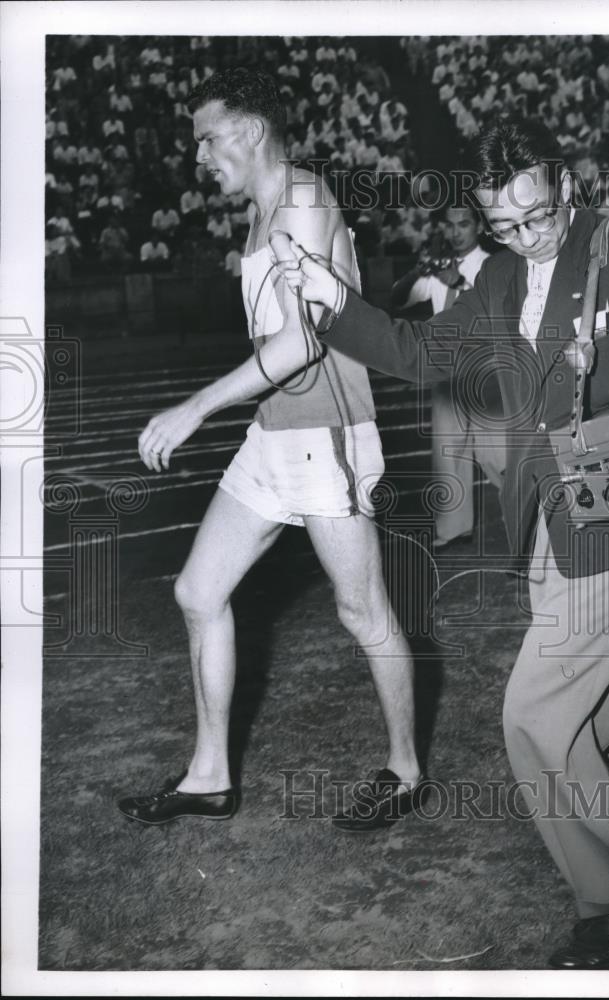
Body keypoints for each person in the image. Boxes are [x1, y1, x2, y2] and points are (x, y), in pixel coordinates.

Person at [273, 117, 609, 969]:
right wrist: (333, 303)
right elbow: (424, 351)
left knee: (535, 720)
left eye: (536, 217)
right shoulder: (500, 274)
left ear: (565, 188)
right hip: (553, 526)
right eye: (503, 224)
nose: (525, 238)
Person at [117, 69, 425, 833]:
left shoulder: (304, 201)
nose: (199, 157)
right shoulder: (259, 216)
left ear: (251, 132)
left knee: (362, 612)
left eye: (208, 139)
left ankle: (405, 770)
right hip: (275, 435)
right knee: (197, 593)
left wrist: (194, 407)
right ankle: (209, 777)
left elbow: (299, 342)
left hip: (327, 435)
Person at [390, 204, 504, 549]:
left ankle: (533, 516)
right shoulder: (438, 268)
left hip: (484, 369)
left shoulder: (494, 264)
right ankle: (454, 527)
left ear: (479, 227)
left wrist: (461, 283)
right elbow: (397, 299)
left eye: (464, 224)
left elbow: (498, 311)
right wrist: (418, 271)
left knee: (498, 453)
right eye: (450, 226)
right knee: (448, 452)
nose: (456, 233)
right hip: (445, 368)